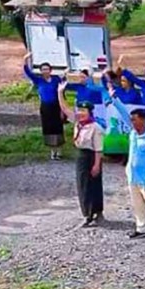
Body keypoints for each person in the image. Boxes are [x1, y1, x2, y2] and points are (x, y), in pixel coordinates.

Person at [109, 88, 145, 243]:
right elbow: (123, 113)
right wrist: (114, 98)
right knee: (137, 204)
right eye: (132, 120)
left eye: (135, 120)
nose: (132, 122)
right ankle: (141, 227)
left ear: (143, 120)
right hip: (132, 176)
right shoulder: (134, 132)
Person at [57, 83, 103, 226]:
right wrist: (60, 92)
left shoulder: (95, 127)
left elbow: (98, 149)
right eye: (79, 110)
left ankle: (97, 211)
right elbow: (65, 109)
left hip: (92, 156)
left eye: (84, 110)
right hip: (81, 155)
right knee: (83, 184)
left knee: (94, 184)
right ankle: (87, 214)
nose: (80, 113)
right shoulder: (78, 122)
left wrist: (96, 165)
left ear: (90, 112)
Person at [23, 53, 65, 160]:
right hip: (45, 107)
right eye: (43, 69)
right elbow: (28, 72)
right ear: (41, 71)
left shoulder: (56, 79)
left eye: (47, 69)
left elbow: (62, 91)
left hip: (56, 106)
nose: (45, 71)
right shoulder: (39, 80)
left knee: (58, 127)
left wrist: (63, 108)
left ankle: (59, 150)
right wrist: (25, 60)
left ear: (50, 70)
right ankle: (52, 151)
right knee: (48, 128)